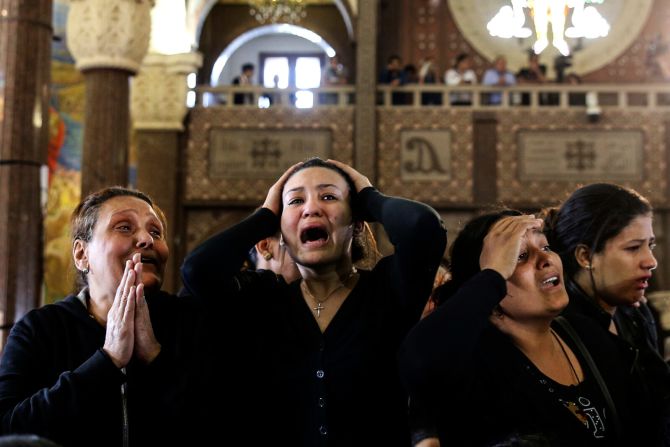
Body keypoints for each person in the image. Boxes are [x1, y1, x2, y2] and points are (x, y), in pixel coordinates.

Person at [181, 157, 446, 446]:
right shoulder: (263, 300)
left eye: (329, 196)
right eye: (295, 202)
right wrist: (266, 215)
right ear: (281, 231)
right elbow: (197, 270)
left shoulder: (388, 290)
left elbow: (423, 227)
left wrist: (368, 196)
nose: (311, 208)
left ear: (356, 223)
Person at [399, 211, 639, 446]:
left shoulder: (585, 335)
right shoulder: (473, 367)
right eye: (521, 256)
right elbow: (419, 357)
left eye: (545, 247)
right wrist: (493, 274)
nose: (546, 259)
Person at [0, 187, 199, 447]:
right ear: (82, 254)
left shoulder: (186, 319)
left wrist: (154, 356)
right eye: (125, 227)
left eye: (155, 232)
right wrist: (108, 360)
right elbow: (8, 429)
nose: (147, 240)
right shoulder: (40, 328)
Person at [544, 183, 670, 445]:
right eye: (633, 248)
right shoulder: (558, 329)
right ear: (585, 255)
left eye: (651, 245)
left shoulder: (635, 313)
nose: (651, 261)